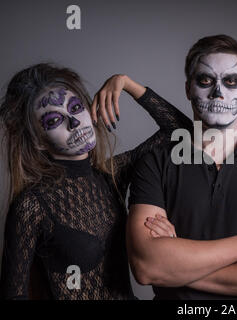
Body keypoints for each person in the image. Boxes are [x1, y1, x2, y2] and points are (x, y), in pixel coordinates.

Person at [125, 34, 237, 300]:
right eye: (206, 80)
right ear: (188, 88)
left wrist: (176, 268)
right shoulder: (154, 163)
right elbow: (146, 267)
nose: (218, 92)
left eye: (231, 81)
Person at [0, 63, 191, 299]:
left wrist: (126, 83)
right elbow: (13, 295)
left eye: (76, 107)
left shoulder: (112, 175)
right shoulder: (31, 205)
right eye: (54, 121)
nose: (74, 122)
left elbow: (182, 132)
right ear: (38, 141)